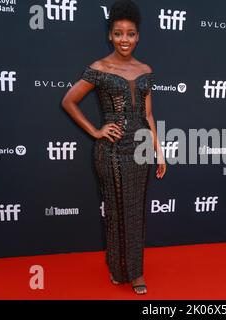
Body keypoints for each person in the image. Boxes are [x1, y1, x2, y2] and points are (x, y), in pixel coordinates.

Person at [61, 0, 166, 295]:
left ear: (138, 36)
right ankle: (120, 268)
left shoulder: (146, 70)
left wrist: (159, 150)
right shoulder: (99, 68)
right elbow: (69, 101)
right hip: (111, 152)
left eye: (130, 34)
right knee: (118, 211)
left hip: (141, 150)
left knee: (135, 212)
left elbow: (147, 115)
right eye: (118, 33)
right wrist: (96, 130)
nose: (124, 39)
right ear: (110, 35)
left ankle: (134, 272)